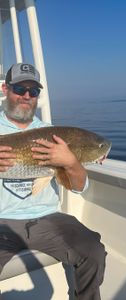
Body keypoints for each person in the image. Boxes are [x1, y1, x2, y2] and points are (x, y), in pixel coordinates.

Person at [0, 63, 106, 299]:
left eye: (33, 91)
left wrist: (70, 162)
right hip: (2, 221)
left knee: (93, 250)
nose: (26, 96)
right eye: (20, 89)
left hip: (47, 218)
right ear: (6, 89)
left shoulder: (52, 133)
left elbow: (78, 188)